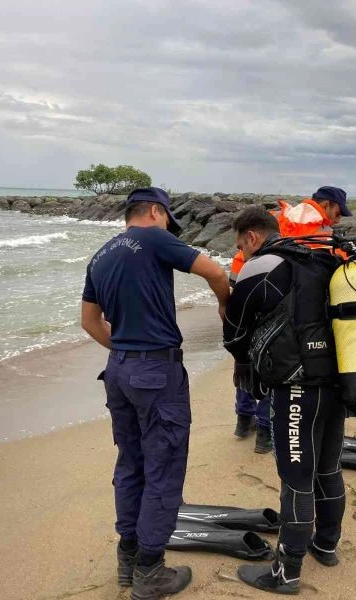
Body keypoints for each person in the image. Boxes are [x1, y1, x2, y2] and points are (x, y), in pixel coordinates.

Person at [81, 187, 230, 599]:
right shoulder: (153, 237)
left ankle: (127, 557)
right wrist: (224, 306)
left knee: (132, 463)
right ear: (154, 211)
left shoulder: (101, 254)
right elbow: (215, 272)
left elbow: (89, 322)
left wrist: (126, 350)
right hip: (155, 372)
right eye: (168, 219)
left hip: (119, 371)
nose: (169, 227)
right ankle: (150, 570)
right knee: (163, 467)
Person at [223, 207, 347, 594]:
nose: (242, 252)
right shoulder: (324, 261)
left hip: (296, 388)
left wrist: (243, 363)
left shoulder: (263, 266)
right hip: (338, 381)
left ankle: (287, 572)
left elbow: (234, 328)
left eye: (241, 244)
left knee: (296, 478)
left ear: (253, 237)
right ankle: (325, 545)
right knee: (328, 467)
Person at [227, 186, 352, 454]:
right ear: (328, 205)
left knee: (248, 362)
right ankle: (264, 433)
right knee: (272, 368)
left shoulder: (281, 217)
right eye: (339, 211)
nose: (339, 218)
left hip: (250, 285)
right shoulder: (316, 226)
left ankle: (242, 421)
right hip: (291, 311)